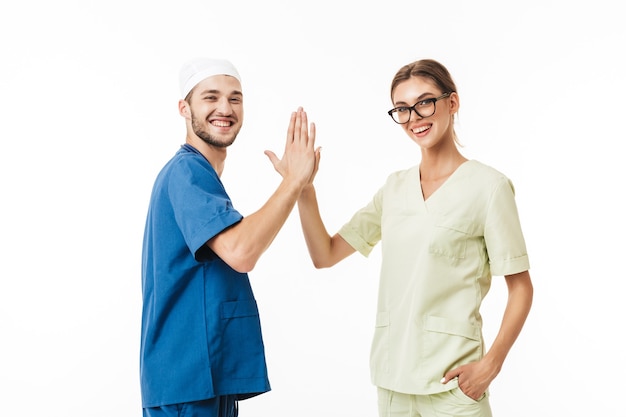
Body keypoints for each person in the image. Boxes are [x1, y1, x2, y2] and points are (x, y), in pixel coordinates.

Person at [295, 59, 533, 417]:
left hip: (454, 386)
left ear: (452, 103)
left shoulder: (489, 187)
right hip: (393, 384)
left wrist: (490, 365)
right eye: (402, 109)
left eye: (424, 102)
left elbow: (521, 287)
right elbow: (324, 254)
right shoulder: (394, 188)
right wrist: (302, 188)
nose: (414, 117)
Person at [140, 57, 318, 417]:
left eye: (235, 98)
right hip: (189, 382)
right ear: (184, 108)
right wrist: (293, 181)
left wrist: (297, 185)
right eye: (211, 97)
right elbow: (241, 251)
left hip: (204, 379)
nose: (225, 108)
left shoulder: (200, 177)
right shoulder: (186, 172)